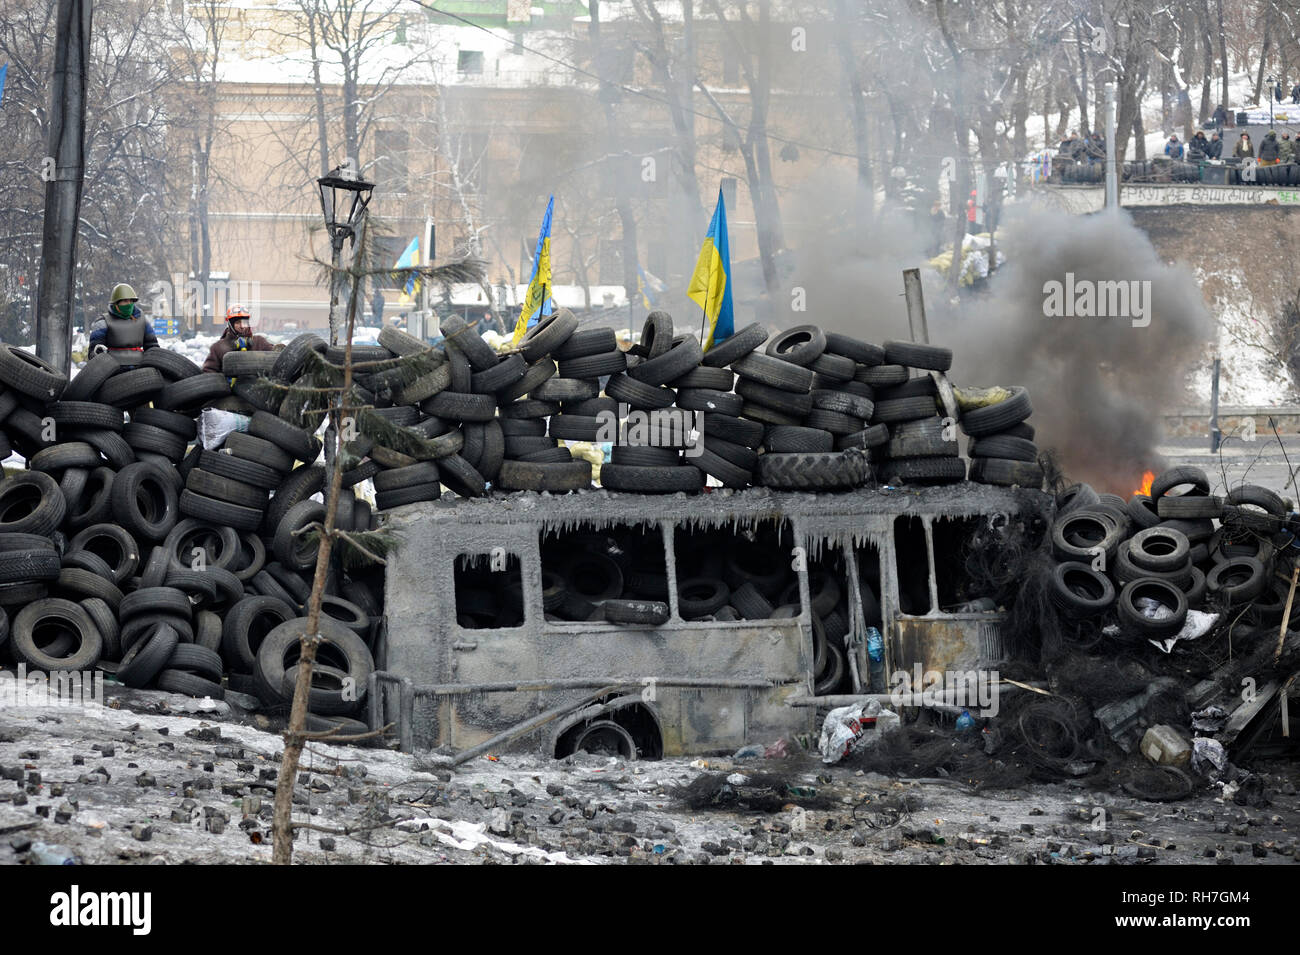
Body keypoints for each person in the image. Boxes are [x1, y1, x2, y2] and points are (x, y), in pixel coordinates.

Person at [88, 283, 159, 366]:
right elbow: (93, 351)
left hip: (139, 366)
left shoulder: (143, 321)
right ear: (116, 303)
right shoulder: (103, 322)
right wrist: (97, 353)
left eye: (131, 301)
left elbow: (152, 346)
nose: (129, 304)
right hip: (112, 368)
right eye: (125, 301)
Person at [201, 304, 275, 373]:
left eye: (245, 322)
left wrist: (280, 349)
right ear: (230, 324)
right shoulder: (218, 348)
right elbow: (209, 373)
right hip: (230, 386)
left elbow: (277, 359)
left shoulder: (259, 342)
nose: (242, 326)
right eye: (238, 322)